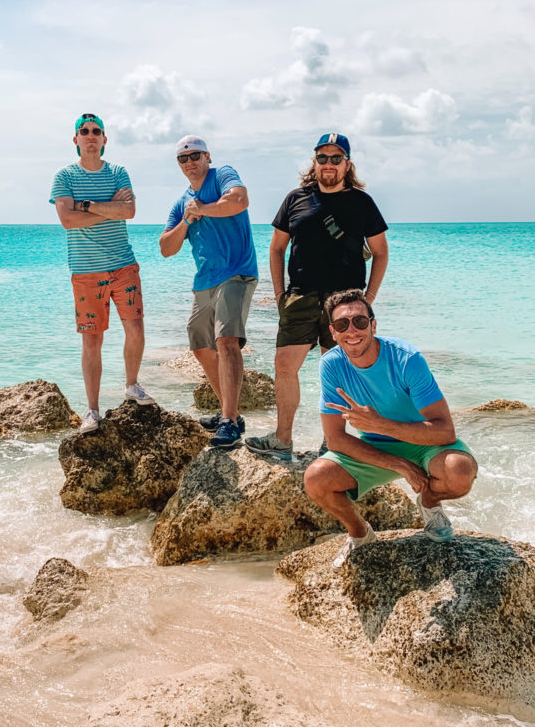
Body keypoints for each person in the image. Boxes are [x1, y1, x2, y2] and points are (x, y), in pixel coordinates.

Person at [304, 288, 478, 567]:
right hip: (377, 446)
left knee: (460, 472)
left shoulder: (406, 359)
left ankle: (430, 503)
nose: (352, 331)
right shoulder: (331, 365)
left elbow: (445, 432)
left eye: (360, 321)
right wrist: (399, 464)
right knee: (316, 478)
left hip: (426, 443)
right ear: (333, 332)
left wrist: (381, 424)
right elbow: (335, 440)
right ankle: (360, 535)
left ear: (373, 325)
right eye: (342, 325)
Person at [246, 132, 389, 461]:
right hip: (300, 297)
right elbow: (277, 248)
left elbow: (380, 253)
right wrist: (280, 293)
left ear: (347, 164)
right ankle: (283, 440)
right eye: (322, 158)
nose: (328, 164)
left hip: (344, 303)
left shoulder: (362, 203)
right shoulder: (296, 198)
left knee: (336, 370)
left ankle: (333, 442)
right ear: (315, 162)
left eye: (336, 158)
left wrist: (368, 299)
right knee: (284, 366)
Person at [50, 113, 154, 435]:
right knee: (92, 341)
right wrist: (108, 207)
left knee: (135, 329)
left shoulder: (118, 172)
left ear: (105, 140)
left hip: (124, 264)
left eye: (97, 131)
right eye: (85, 131)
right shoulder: (64, 177)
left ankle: (132, 385)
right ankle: (92, 410)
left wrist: (86, 205)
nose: (91, 135)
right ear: (76, 140)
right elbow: (67, 221)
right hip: (86, 270)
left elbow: (129, 211)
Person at [159, 135, 258, 448]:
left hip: (237, 273)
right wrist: (188, 219)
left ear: (208, 156)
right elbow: (166, 247)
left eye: (195, 156)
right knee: (200, 344)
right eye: (183, 159)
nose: (190, 162)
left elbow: (239, 200)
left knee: (226, 340)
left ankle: (228, 420)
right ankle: (232, 413)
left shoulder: (222, 175)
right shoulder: (182, 202)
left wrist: (204, 208)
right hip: (204, 281)